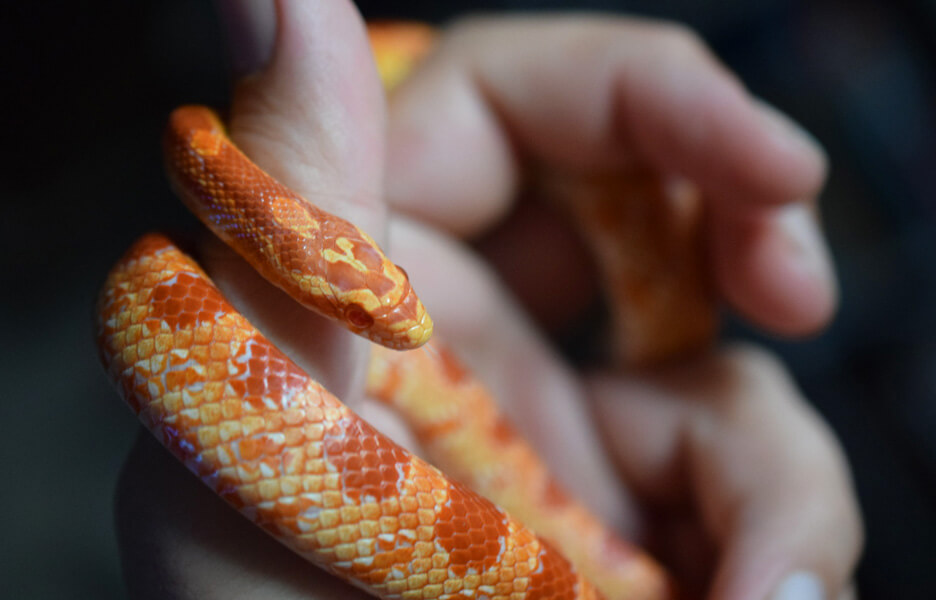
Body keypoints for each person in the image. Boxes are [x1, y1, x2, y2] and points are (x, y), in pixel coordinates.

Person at [114, 2, 862, 598]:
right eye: (366, 317)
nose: (400, 327)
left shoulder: (270, 214)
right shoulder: (229, 190)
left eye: (389, 295)